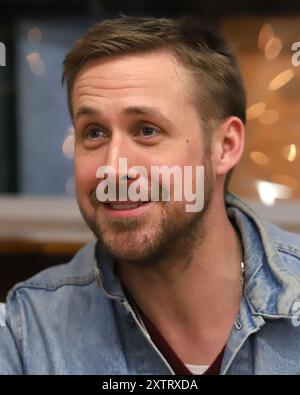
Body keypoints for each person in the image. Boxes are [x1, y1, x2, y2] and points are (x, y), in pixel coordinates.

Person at [1, 15, 300, 375]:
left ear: (225, 146)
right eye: (94, 133)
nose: (113, 169)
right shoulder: (27, 334)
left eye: (146, 130)